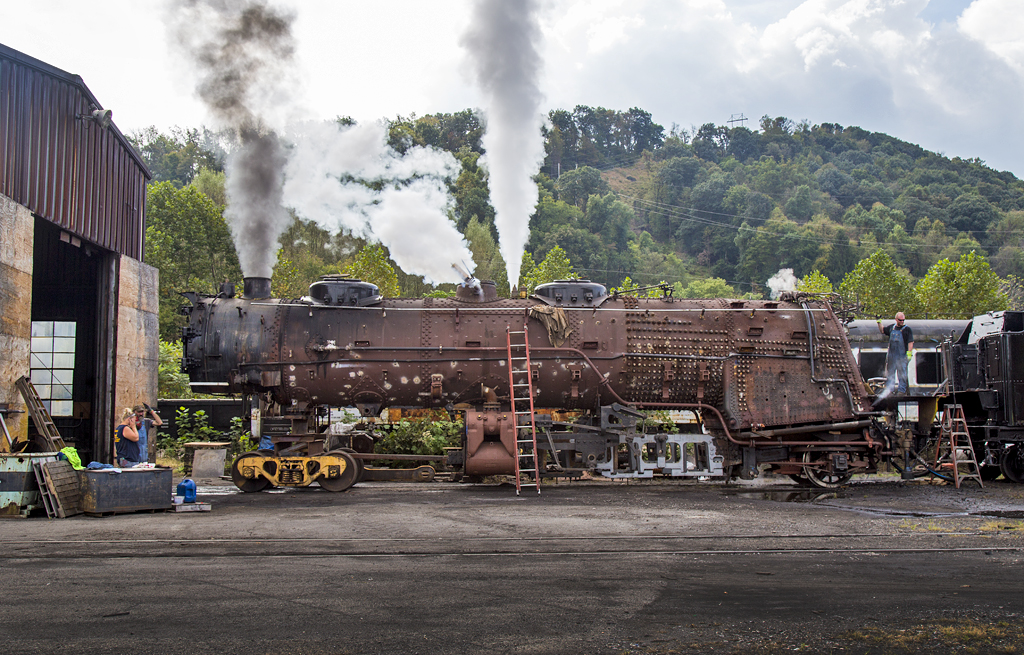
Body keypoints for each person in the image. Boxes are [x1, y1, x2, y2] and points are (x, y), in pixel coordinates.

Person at [877, 312, 915, 394]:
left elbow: (910, 342)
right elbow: (882, 330)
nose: (902, 321)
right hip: (892, 356)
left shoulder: (907, 329)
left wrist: (909, 353)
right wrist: (879, 321)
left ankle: (901, 390)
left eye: (903, 320)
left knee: (902, 374)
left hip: (902, 356)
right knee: (890, 373)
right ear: (896, 319)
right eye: (900, 320)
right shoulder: (892, 328)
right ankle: (890, 390)